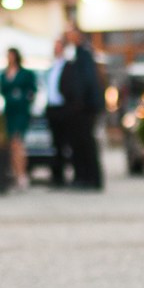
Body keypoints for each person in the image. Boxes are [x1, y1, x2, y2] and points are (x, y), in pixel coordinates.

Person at [61, 26, 105, 190]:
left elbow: (86, 81)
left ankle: (91, 178)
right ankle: (82, 177)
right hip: (75, 109)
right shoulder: (73, 54)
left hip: (84, 109)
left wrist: (79, 102)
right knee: (77, 144)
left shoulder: (84, 55)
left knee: (86, 144)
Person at [0, 46, 38, 190]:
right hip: (9, 111)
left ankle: (21, 175)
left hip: (21, 110)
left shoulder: (25, 73)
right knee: (12, 144)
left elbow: (32, 90)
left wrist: (26, 100)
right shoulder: (3, 74)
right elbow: (2, 90)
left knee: (18, 142)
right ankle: (16, 174)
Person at [42, 36, 70, 188]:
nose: (55, 49)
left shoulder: (67, 65)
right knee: (54, 144)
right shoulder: (52, 66)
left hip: (63, 107)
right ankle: (56, 175)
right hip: (52, 107)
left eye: (58, 46)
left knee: (63, 143)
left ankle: (63, 175)